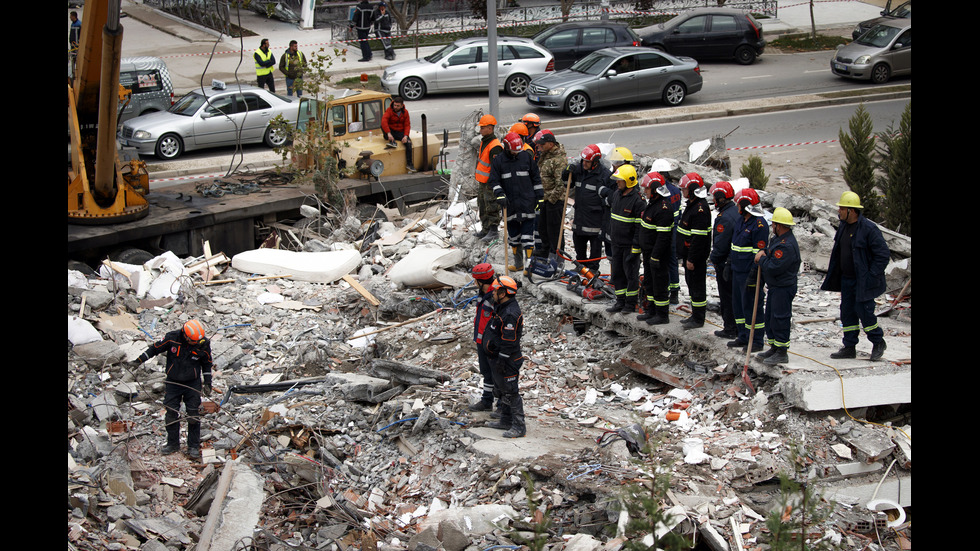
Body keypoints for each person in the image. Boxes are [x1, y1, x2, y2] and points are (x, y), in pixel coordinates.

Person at [821, 191, 890, 361]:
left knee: (865, 312)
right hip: (847, 279)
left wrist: (871, 275)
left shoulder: (868, 229)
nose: (839, 211)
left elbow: (882, 255)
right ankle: (849, 346)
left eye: (842, 209)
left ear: (851, 211)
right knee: (847, 312)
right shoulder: (844, 226)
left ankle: (878, 342)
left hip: (863, 281)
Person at [136, 320, 213, 459]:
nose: (195, 344)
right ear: (186, 335)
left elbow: (207, 364)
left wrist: (208, 383)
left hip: (192, 383)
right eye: (193, 341)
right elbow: (154, 349)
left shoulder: (203, 344)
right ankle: (172, 444)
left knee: (193, 415)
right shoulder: (173, 338)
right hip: (173, 382)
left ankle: (193, 446)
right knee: (171, 413)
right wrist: (138, 361)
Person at [489, 131, 543, 273]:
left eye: (517, 151)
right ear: (506, 147)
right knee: (514, 236)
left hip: (527, 202)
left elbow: (536, 178)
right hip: (510, 204)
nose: (515, 154)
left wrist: (540, 197)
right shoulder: (498, 161)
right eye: (513, 151)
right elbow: (494, 181)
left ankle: (529, 266)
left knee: (527, 236)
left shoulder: (525, 157)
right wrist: (499, 194)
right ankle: (518, 263)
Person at [755, 208, 801, 365]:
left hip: (783, 287)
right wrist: (764, 253)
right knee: (771, 318)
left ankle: (782, 351)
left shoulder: (786, 245)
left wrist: (761, 259)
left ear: (779, 226)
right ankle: (774, 347)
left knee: (780, 318)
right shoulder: (778, 240)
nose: (772, 227)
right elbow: (769, 253)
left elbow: (774, 266)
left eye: (773, 224)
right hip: (775, 287)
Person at [483, 275, 526, 438]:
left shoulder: (509, 313)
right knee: (503, 390)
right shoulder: (502, 307)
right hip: (500, 359)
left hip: (508, 360)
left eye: (495, 291)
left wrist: (501, 359)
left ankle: (519, 427)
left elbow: (509, 341)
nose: (492, 293)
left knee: (511, 391)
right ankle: (506, 420)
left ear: (503, 293)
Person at [728, 188, 768, 351]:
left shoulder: (759, 225)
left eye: (739, 204)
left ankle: (756, 341)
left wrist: (753, 274)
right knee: (738, 304)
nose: (737, 207)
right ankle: (743, 336)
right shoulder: (741, 220)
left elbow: (758, 254)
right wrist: (729, 263)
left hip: (749, 273)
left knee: (752, 307)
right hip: (737, 270)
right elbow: (735, 244)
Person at [606, 164, 645, 314]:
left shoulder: (638, 201)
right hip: (616, 244)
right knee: (617, 274)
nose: (617, 182)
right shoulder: (617, 195)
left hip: (629, 246)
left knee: (631, 275)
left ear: (628, 181)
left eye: (620, 180)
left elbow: (639, 228)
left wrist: (635, 248)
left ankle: (630, 304)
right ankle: (620, 301)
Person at [637, 171, 674, 325]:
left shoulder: (663, 208)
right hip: (649, 253)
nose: (645, 191)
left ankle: (662, 315)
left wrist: (655, 256)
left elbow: (663, 237)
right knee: (649, 283)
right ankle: (651, 310)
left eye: (647, 188)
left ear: (655, 189)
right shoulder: (653, 204)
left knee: (660, 284)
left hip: (657, 255)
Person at [675, 172, 711, 328]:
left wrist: (691, 259)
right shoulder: (693, 205)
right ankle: (694, 315)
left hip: (695, 258)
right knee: (692, 286)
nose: (683, 192)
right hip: (689, 256)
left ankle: (698, 318)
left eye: (684, 189)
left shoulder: (700, 209)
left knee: (697, 288)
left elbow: (698, 238)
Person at [567, 145, 611, 273]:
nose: (584, 163)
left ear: (595, 162)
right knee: (578, 241)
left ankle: (592, 269)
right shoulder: (579, 170)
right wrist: (566, 172)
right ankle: (581, 266)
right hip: (580, 215)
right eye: (583, 160)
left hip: (595, 217)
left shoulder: (604, 175)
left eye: (587, 161)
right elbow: (567, 183)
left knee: (595, 246)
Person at [709, 181, 740, 339]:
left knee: (727, 297)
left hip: (725, 264)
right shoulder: (735, 212)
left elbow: (721, 244)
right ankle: (737, 328)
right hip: (734, 262)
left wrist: (713, 259)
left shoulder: (725, 218)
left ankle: (730, 328)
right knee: (734, 296)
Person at [652, 158, 683, 304]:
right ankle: (674, 292)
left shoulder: (662, 192)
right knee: (672, 262)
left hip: (665, 231)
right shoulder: (676, 190)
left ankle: (668, 291)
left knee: (665, 261)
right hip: (675, 229)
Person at [533, 129, 567, 259]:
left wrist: (551, 199)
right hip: (545, 198)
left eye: (542, 144)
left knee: (554, 229)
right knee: (543, 227)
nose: (539, 147)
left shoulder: (558, 160)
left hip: (555, 200)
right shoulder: (545, 156)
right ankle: (545, 250)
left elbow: (561, 184)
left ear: (551, 144)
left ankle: (557, 254)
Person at [469, 263, 498, 412]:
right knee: (486, 372)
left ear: (481, 281)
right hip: (482, 341)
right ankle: (487, 400)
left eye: (476, 280)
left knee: (497, 374)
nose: (474, 283)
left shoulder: (496, 296)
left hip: (492, 343)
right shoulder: (484, 294)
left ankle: (501, 405)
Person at [474, 114, 503, 242]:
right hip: (483, 181)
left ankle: (493, 231)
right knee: (482, 205)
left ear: (490, 129)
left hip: (490, 183)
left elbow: (496, 167)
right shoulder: (485, 142)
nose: (480, 130)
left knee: (491, 206)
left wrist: (494, 183)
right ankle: (485, 229)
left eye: (483, 127)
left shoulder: (495, 146)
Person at [381, 96, 415, 172]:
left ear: (402, 106)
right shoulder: (389, 110)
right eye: (394, 105)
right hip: (391, 131)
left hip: (400, 132)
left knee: (408, 144)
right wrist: (388, 133)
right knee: (383, 126)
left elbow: (407, 125)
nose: (395, 107)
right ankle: (392, 141)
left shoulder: (405, 112)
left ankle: (409, 164)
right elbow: (384, 121)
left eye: (397, 106)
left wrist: (406, 136)